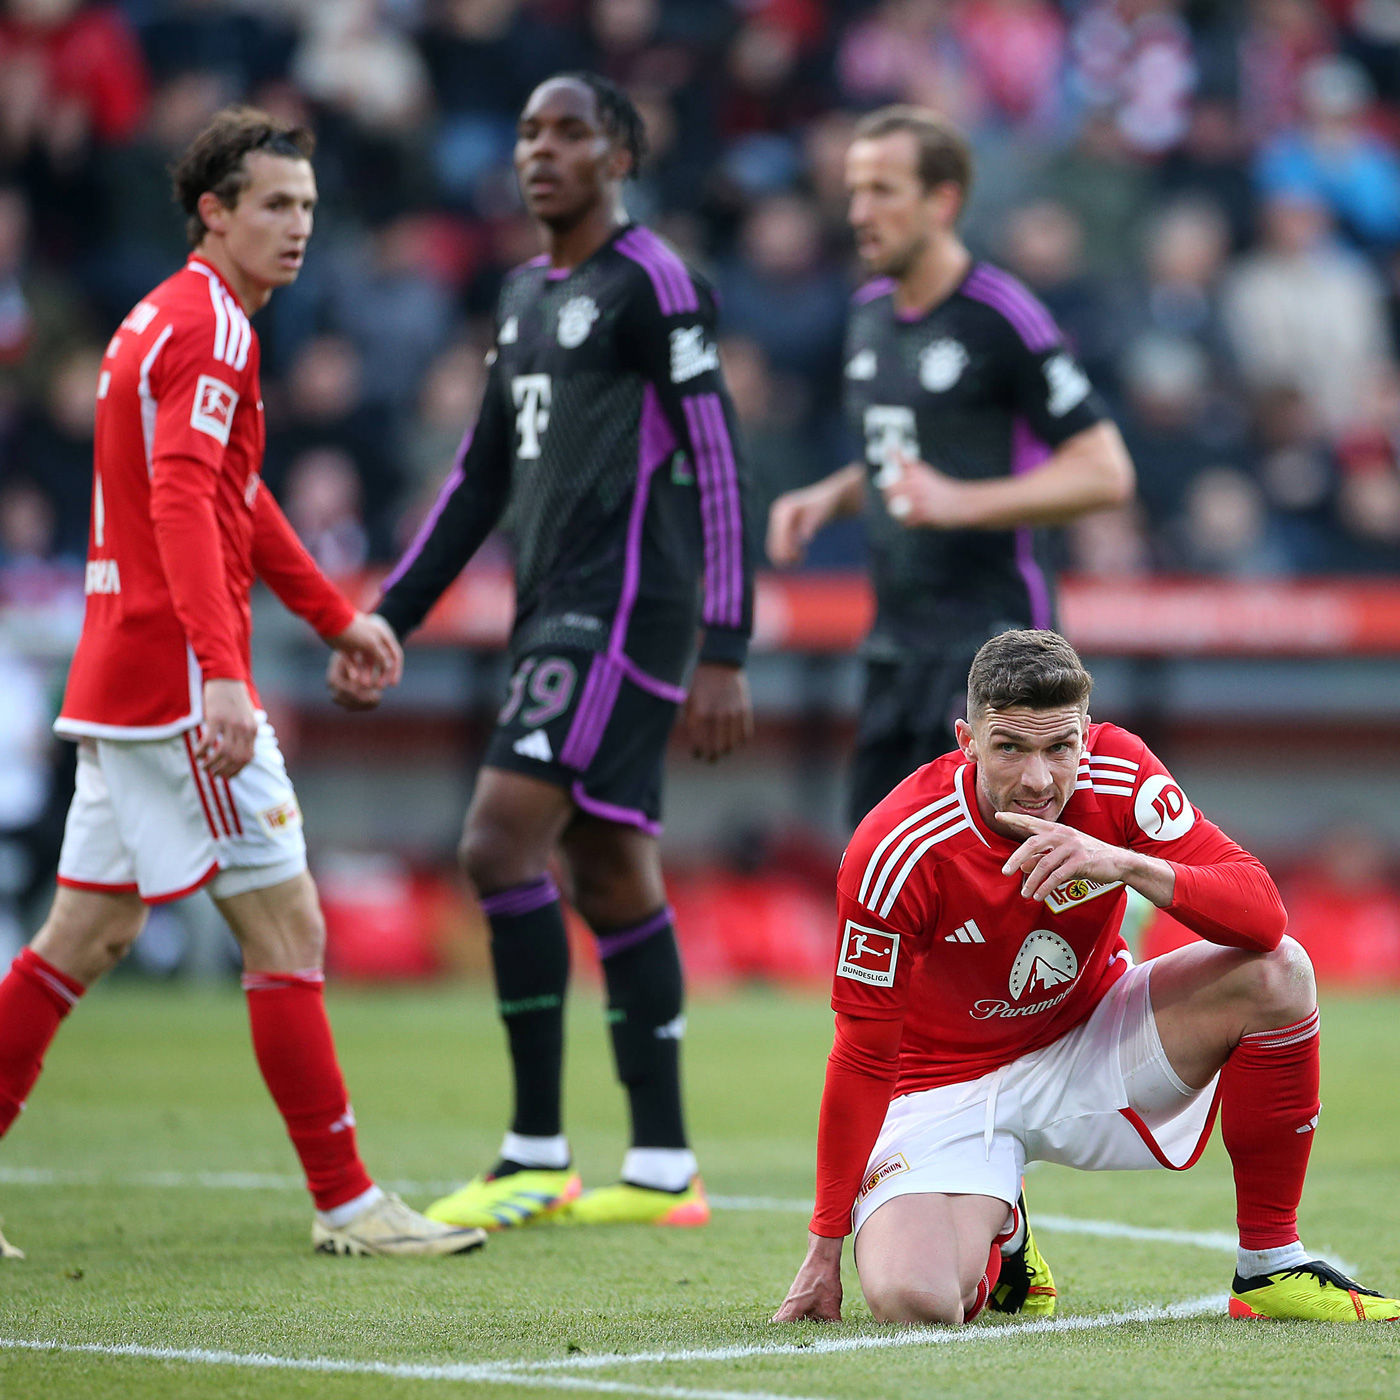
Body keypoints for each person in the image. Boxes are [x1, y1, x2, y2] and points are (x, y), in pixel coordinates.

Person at [0, 108, 486, 1263]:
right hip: (174, 683)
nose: (298, 226)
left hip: (128, 669)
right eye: (273, 203)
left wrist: (335, 615)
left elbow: (238, 497)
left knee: (86, 933)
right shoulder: (210, 327)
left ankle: (345, 1197)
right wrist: (224, 676)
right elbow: (180, 500)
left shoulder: (171, 319)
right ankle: (349, 1199)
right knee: (288, 926)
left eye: (308, 206)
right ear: (210, 211)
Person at [329, 73, 753, 1230]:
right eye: (525, 131)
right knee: (609, 869)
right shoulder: (521, 294)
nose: (541, 151)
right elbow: (477, 479)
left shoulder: (654, 282)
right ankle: (665, 1168)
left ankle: (531, 1151)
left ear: (620, 152)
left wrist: (726, 641)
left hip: (620, 608)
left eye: (570, 131)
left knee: (495, 841)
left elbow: (716, 460)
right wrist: (390, 615)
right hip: (550, 605)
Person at [774, 629, 1400, 1325]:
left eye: (1059, 748)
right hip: (942, 1088)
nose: (1039, 780)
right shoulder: (898, 849)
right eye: (1010, 747)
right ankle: (1004, 1230)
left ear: (1085, 736)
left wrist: (1126, 864)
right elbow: (862, 1055)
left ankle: (1270, 1265)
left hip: (1092, 1036)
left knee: (1280, 973)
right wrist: (823, 1248)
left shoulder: (1121, 771)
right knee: (916, 1303)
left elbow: (1261, 914)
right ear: (967, 740)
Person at [766, 106, 1135, 829]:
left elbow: (1104, 472)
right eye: (853, 191)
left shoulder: (1001, 316)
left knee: (997, 869)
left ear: (942, 201)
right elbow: (900, 463)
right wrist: (827, 496)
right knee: (875, 865)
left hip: (994, 639)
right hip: (896, 643)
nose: (858, 212)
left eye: (882, 191)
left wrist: (960, 502)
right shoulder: (869, 313)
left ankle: (1114, 927)